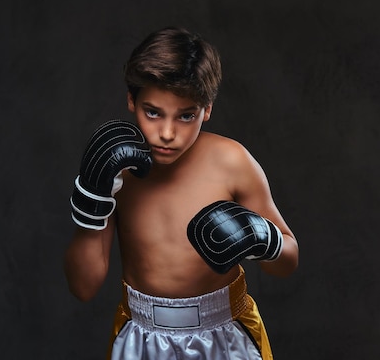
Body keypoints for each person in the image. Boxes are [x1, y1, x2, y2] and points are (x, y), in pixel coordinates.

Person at [64, 26, 299, 360]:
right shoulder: (117, 169)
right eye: (153, 112)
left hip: (227, 335)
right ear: (131, 101)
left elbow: (288, 261)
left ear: (207, 109)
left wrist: (265, 239)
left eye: (186, 115)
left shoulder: (232, 162)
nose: (167, 133)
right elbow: (83, 287)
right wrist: (91, 199)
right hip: (141, 338)